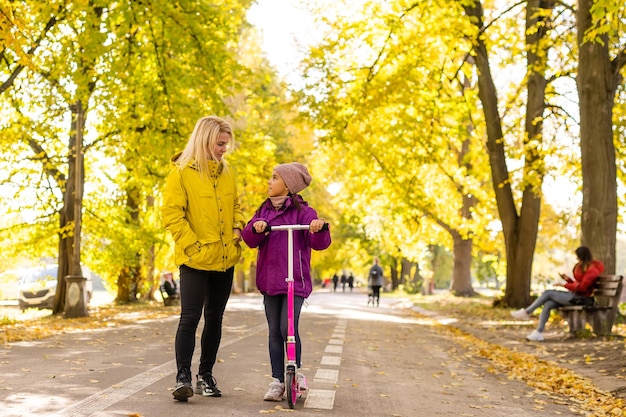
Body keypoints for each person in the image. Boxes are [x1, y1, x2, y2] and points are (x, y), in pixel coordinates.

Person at [162, 116, 245, 402]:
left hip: (224, 257)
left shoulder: (227, 172)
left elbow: (236, 205)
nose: (224, 149)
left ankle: (205, 374)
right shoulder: (181, 172)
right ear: (205, 139)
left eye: (226, 144)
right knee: (190, 317)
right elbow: (172, 215)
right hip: (195, 258)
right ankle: (182, 375)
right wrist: (193, 246)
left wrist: (237, 228)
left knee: (215, 319)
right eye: (220, 143)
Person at [241, 162, 331, 402]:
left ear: (288, 185)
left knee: (287, 327)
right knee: (273, 330)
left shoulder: (303, 211)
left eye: (274, 178)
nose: (269, 182)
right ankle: (277, 381)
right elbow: (249, 238)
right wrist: (257, 228)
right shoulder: (264, 210)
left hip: (295, 281)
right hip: (270, 280)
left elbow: (319, 242)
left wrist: (318, 228)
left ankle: (296, 371)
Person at [511, 246, 604, 341]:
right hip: (575, 296)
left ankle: (527, 312)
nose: (577, 259)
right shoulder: (585, 267)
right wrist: (567, 280)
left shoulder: (592, 270)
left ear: (582, 257)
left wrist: (564, 285)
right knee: (548, 304)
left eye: (578, 257)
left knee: (548, 293)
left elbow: (582, 288)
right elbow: (578, 284)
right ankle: (538, 332)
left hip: (581, 299)